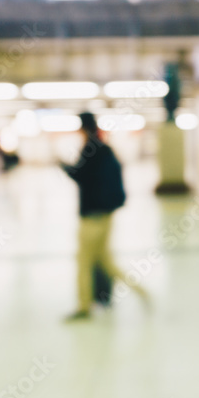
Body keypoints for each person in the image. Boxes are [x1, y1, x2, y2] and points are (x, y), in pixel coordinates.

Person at [61, 112, 148, 320]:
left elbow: (79, 175)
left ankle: (84, 307)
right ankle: (142, 293)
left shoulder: (90, 149)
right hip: (106, 215)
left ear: (82, 128)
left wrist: (63, 166)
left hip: (92, 216)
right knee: (106, 262)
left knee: (84, 262)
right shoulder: (105, 148)